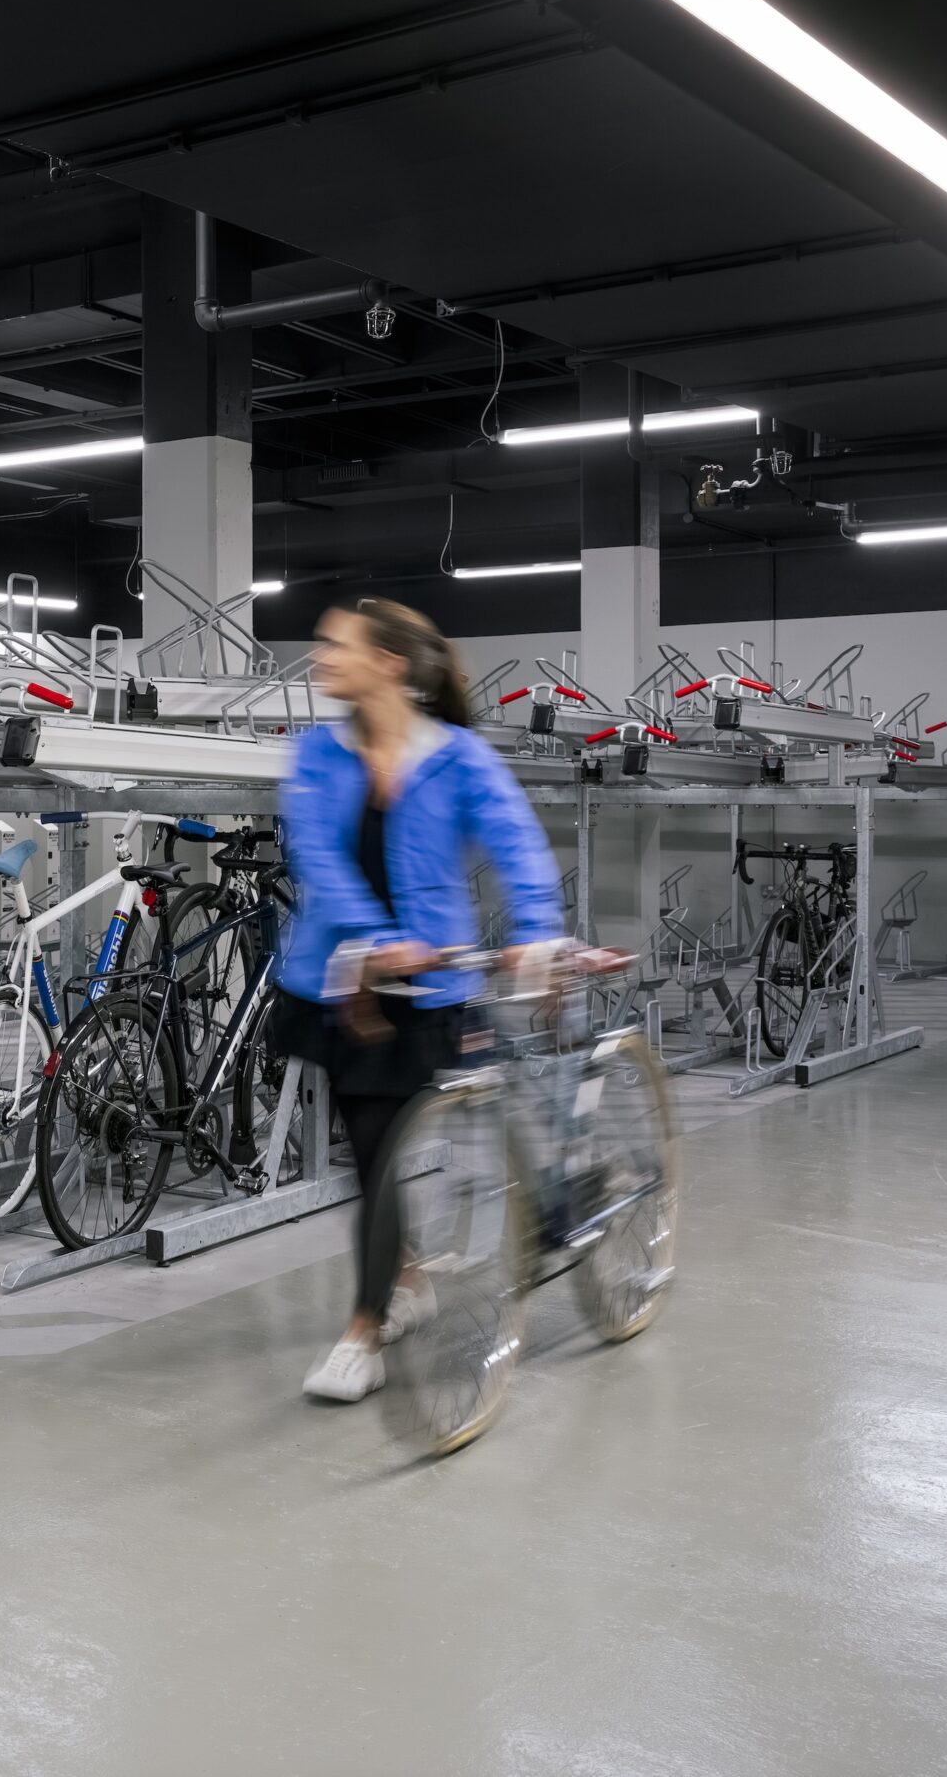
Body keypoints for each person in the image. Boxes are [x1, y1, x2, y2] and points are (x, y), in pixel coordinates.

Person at [274, 598, 564, 1403]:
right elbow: (318, 858)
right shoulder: (317, 754)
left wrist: (539, 932)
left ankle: (365, 1327)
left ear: (389, 664)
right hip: (344, 982)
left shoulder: (459, 757)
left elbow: (518, 843)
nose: (320, 658)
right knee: (372, 1154)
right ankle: (399, 1287)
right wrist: (375, 938)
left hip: (431, 985)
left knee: (383, 1152)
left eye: (337, 646)